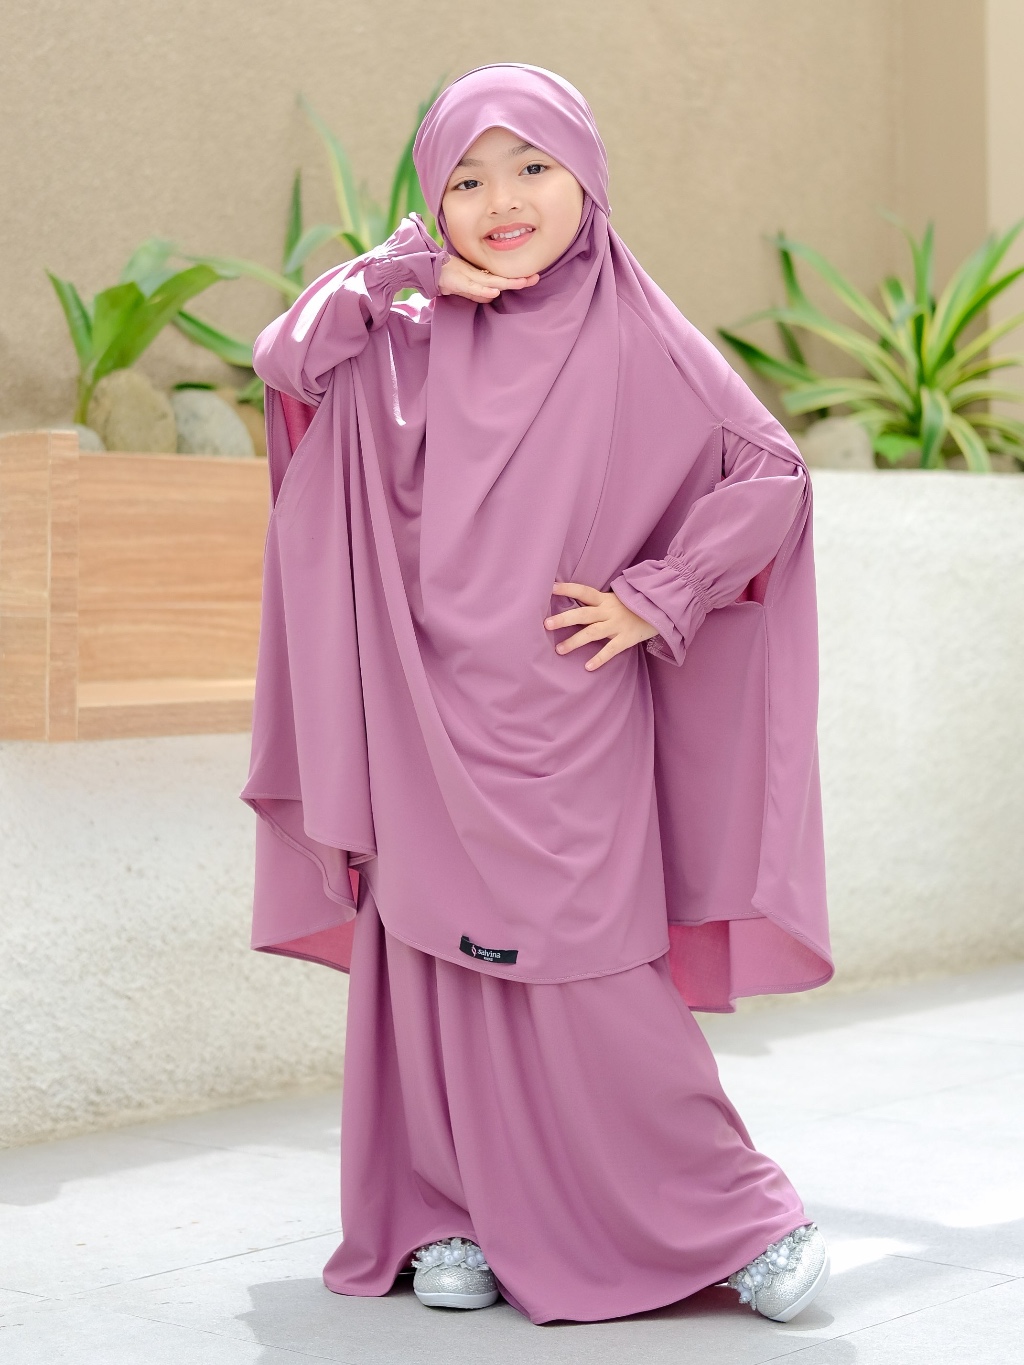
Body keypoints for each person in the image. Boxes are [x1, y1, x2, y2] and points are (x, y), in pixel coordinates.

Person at [240, 62, 833, 1328]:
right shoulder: (404, 334)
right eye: (465, 180)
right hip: (418, 703)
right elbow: (285, 356)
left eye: (531, 168)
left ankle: (735, 1217)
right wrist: (404, 273)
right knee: (432, 962)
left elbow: (770, 473)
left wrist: (660, 593)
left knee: (589, 972)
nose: (501, 201)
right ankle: (445, 1213)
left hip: (565, 714)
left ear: (587, 179)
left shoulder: (637, 333)